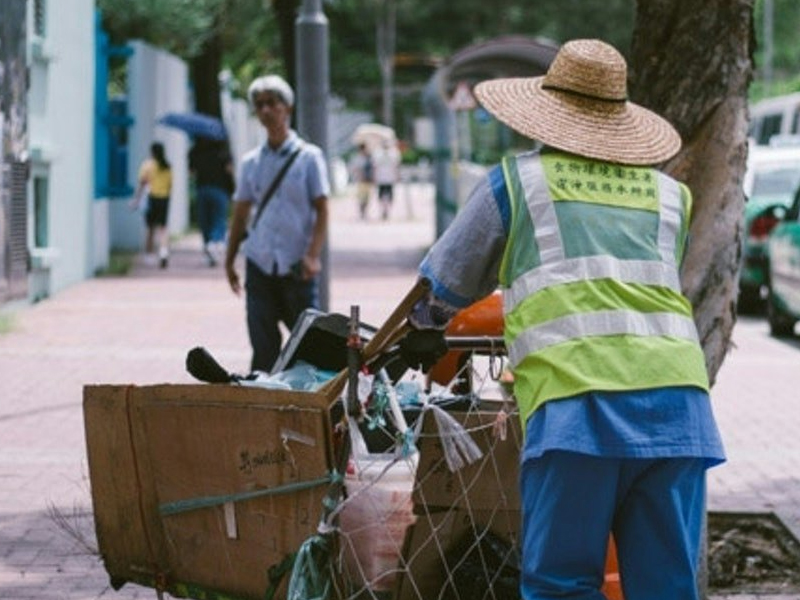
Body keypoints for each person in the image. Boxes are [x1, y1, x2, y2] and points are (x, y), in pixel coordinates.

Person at [400, 39, 726, 600]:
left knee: (561, 585)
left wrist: (415, 331)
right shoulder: (671, 195)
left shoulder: (517, 182)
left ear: (546, 113)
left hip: (580, 406)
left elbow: (444, 287)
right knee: (667, 588)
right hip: (678, 410)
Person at [224, 74, 330, 373]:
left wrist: (312, 254)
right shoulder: (251, 162)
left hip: (297, 266)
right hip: (260, 263)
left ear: (287, 107)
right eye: (259, 105)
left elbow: (322, 208)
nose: (266, 111)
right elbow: (241, 211)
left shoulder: (309, 158)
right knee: (263, 349)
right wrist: (230, 259)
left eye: (272, 103)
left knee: (310, 348)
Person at [189, 138, 235, 266]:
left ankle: (209, 253)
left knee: (205, 222)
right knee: (219, 219)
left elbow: (191, 173)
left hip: (202, 189)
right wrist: (233, 189)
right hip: (220, 190)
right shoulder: (224, 151)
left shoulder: (195, 150)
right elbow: (230, 171)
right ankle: (214, 242)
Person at [131, 142, 172, 268]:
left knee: (150, 228)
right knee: (163, 228)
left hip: (152, 198)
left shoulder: (148, 165)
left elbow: (142, 183)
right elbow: (171, 185)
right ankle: (164, 252)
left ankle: (149, 255)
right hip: (164, 198)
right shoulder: (167, 166)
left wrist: (136, 200)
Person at [372, 139, 401, 220]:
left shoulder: (394, 153)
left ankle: (387, 210)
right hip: (381, 177)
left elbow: (396, 166)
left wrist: (397, 176)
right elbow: (375, 166)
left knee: (390, 195)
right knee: (381, 195)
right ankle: (383, 210)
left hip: (390, 178)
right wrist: (374, 177)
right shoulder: (377, 153)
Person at [348, 142, 374, 219]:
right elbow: (355, 169)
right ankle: (362, 212)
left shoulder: (368, 157)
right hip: (361, 180)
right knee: (362, 197)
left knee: (367, 197)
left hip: (367, 180)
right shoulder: (357, 158)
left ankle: (364, 211)